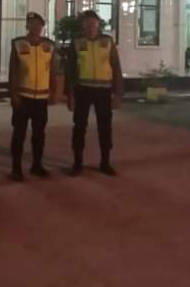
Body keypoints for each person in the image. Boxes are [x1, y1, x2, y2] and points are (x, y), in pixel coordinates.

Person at [67, 10, 124, 176]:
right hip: (83, 90)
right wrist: (70, 95)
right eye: (87, 24)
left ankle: (105, 163)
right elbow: (70, 71)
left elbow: (116, 67)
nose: (90, 27)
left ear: (98, 25)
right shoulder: (77, 43)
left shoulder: (108, 41)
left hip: (104, 91)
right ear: (83, 26)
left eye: (93, 24)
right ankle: (77, 163)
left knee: (105, 127)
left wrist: (118, 93)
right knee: (79, 127)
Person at [8, 12, 56, 181]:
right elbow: (13, 71)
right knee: (19, 134)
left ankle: (37, 165)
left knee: (39, 134)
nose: (36, 27)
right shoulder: (18, 43)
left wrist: (54, 91)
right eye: (32, 24)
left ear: (42, 26)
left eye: (38, 24)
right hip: (23, 96)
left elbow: (52, 71)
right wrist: (13, 95)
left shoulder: (50, 45)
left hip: (41, 98)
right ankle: (16, 168)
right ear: (27, 26)